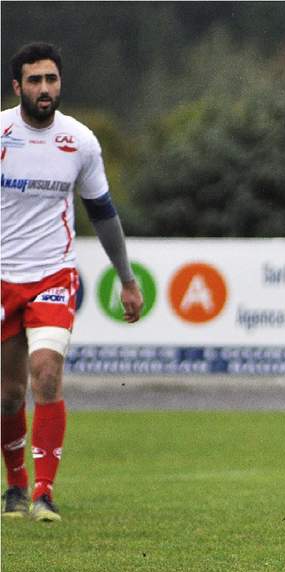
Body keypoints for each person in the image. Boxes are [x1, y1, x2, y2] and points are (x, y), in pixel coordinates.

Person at [1, 42, 143, 522]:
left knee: (46, 372)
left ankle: (44, 492)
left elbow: (102, 212)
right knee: (8, 394)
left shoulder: (80, 141)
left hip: (54, 274)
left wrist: (127, 279)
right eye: (35, 80)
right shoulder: (1, 134)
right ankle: (16, 485)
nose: (45, 88)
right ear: (17, 86)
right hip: (3, 277)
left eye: (52, 79)